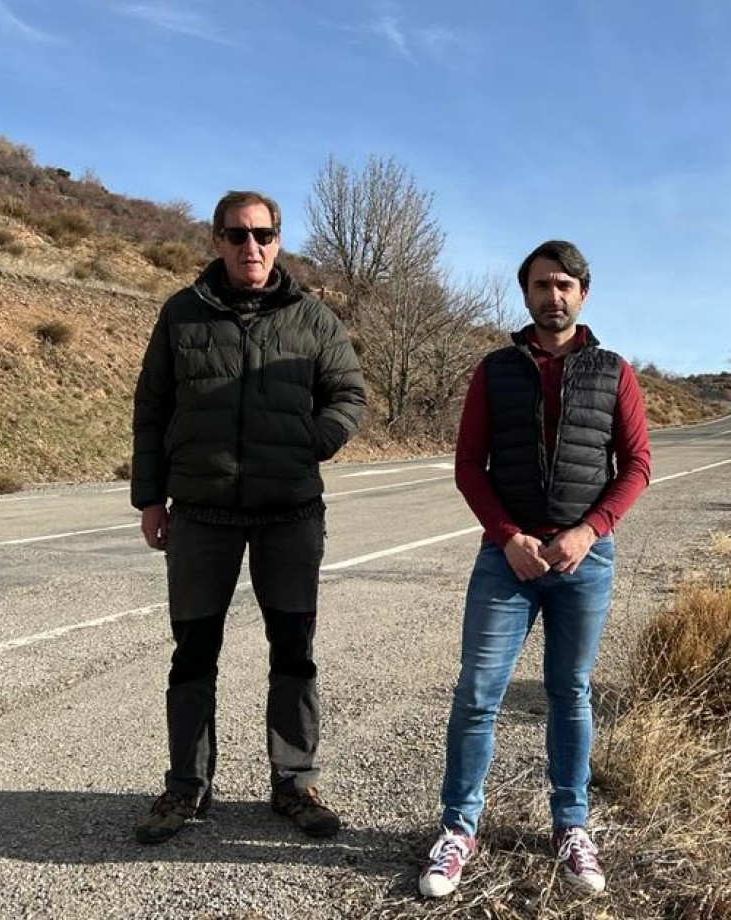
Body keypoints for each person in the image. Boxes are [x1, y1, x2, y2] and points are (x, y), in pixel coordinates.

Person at [130, 189, 367, 845]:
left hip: (288, 514)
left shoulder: (312, 318)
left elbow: (349, 393)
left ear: (279, 240)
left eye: (262, 234)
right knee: (193, 654)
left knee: (294, 652)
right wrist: (150, 497)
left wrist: (316, 438)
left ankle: (294, 786)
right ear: (216, 241)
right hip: (202, 515)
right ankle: (186, 789)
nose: (250, 247)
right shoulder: (182, 314)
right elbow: (151, 410)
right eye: (237, 235)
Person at [418, 240, 651, 898]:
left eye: (566, 285)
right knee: (477, 693)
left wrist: (590, 531)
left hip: (585, 559)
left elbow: (636, 466)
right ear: (525, 294)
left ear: (583, 294)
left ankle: (571, 826)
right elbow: (470, 465)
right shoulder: (495, 370)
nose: (554, 295)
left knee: (569, 695)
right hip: (507, 560)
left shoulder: (615, 371)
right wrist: (507, 536)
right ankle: (460, 828)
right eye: (543, 284)